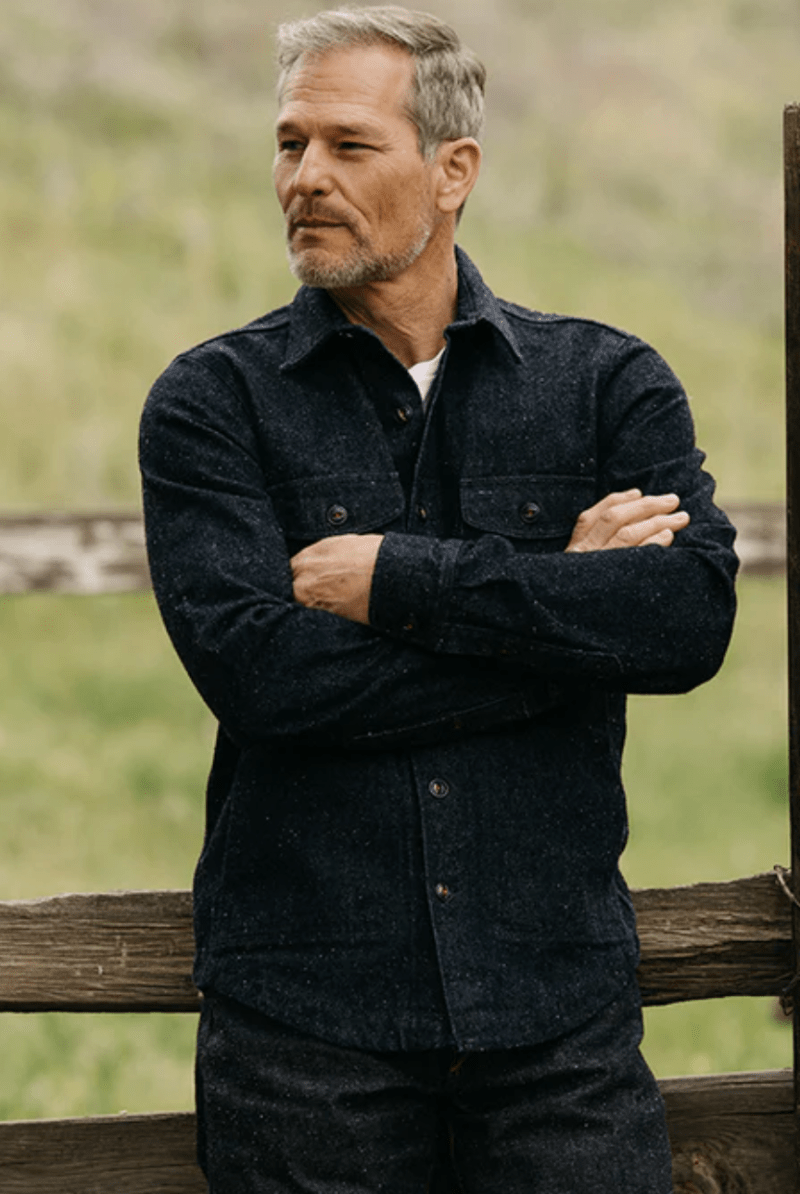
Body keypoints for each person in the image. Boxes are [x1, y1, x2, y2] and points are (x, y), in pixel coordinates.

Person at [139, 7, 737, 1192]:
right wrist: (564, 605)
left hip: (556, 1023)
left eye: (348, 146)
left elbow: (682, 624)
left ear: (451, 169)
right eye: (288, 143)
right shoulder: (213, 404)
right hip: (306, 1030)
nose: (303, 178)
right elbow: (266, 680)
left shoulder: (605, 383)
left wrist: (403, 579)